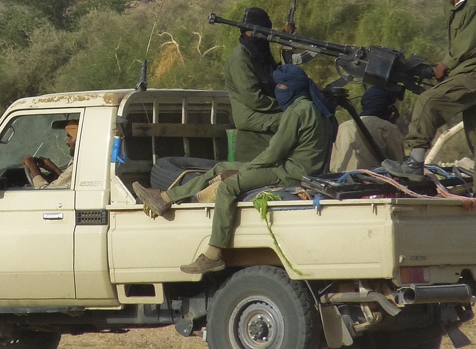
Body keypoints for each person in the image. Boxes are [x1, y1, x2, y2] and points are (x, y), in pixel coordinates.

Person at [133, 65, 333, 275]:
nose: (278, 90)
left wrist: (247, 169)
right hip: (297, 170)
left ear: (293, 88)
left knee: (228, 187)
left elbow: (274, 153)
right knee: (220, 167)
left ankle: (213, 254)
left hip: (290, 174)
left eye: (282, 86)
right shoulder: (318, 109)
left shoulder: (298, 111)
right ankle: (165, 198)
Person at [383, 0, 476, 195]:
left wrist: (446, 65)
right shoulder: (459, 4)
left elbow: (467, 44)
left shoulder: (474, 4)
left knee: (428, 101)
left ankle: (414, 163)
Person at [225, 7, 282, 162]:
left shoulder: (260, 54)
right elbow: (254, 99)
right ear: (249, 32)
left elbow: (278, 80)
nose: (267, 36)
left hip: (265, 112)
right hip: (251, 115)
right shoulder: (241, 58)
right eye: (264, 31)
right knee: (300, 119)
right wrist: (287, 105)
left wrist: (287, 55)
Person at [330, 86, 404, 172]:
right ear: (388, 107)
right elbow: (398, 162)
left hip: (342, 179)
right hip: (374, 180)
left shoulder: (344, 126)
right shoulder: (387, 128)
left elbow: (334, 163)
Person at [22, 120, 78, 188]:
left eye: (70, 137)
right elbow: (66, 183)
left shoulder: (79, 164)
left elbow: (46, 193)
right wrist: (54, 169)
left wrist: (33, 169)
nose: (67, 142)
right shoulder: (80, 163)